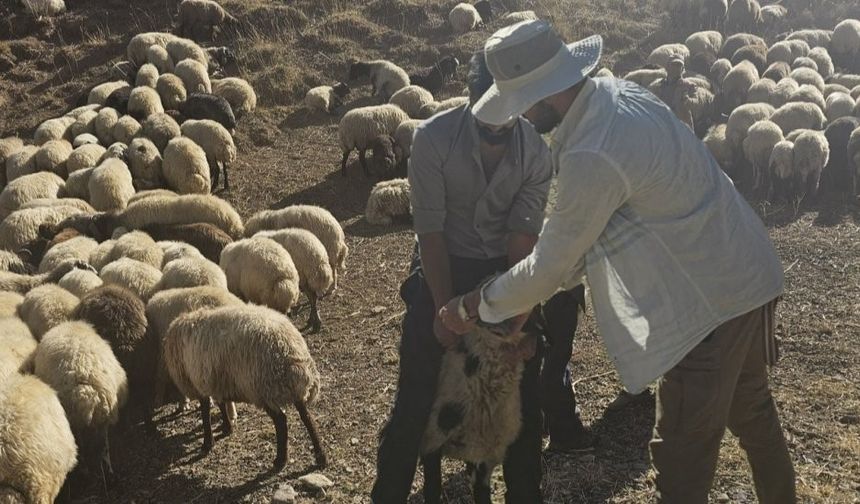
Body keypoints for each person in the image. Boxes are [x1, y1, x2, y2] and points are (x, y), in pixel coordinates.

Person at [440, 20, 796, 504]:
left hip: (707, 307)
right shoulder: (619, 94)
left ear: (542, 94)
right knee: (753, 412)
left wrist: (474, 305)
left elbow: (551, 263)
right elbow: (580, 244)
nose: (520, 116)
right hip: (744, 269)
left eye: (520, 102)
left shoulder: (591, 150)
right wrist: (521, 300)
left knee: (682, 460)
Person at [371, 50, 589, 504]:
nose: (496, 134)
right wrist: (443, 308)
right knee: (415, 398)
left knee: (524, 405)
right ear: (473, 101)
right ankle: (388, 493)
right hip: (443, 261)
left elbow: (522, 238)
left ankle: (526, 494)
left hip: (503, 270)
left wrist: (515, 317)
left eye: (507, 120)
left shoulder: (534, 151)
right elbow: (429, 231)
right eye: (488, 120)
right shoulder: (432, 139)